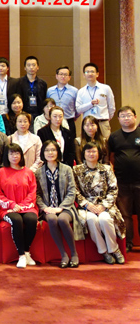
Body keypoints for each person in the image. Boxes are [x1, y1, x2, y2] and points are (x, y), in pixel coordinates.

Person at [73, 142, 125, 264]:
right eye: (88, 151)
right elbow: (74, 190)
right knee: (91, 220)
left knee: (104, 219)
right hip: (86, 206)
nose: (91, 154)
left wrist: (103, 205)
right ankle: (104, 252)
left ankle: (115, 250)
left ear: (99, 153)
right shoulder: (76, 170)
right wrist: (87, 204)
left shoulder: (106, 169)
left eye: (94, 151)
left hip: (105, 204)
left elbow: (113, 189)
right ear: (84, 154)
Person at [35, 140, 83, 269]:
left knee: (62, 219)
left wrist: (61, 207)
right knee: (52, 219)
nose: (50, 153)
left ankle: (74, 254)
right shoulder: (38, 172)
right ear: (43, 153)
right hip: (48, 208)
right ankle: (63, 255)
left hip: (65, 207)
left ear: (58, 152)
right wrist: (45, 208)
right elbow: (37, 194)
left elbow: (72, 191)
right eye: (47, 150)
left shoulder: (67, 169)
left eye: (53, 150)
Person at [0, 143, 39, 268]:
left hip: (26, 207)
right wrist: (12, 205)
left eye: (17, 153)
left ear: (21, 155)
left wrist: (21, 206)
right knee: (17, 220)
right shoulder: (0, 173)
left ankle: (27, 252)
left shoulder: (29, 172)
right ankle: (21, 255)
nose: (14, 156)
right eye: (11, 153)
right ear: (7, 156)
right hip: (7, 208)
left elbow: (32, 193)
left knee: (32, 219)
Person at [108, 106, 140, 252]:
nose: (126, 118)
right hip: (122, 181)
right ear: (119, 119)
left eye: (129, 115)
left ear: (135, 117)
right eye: (123, 116)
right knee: (125, 214)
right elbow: (111, 156)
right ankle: (128, 243)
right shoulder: (114, 136)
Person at [76, 62, 116, 138]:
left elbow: (111, 107)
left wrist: (106, 118)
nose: (90, 74)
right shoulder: (81, 91)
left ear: (97, 74)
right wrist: (90, 104)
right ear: (84, 75)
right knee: (89, 144)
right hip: (88, 124)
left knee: (105, 143)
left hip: (102, 122)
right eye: (87, 72)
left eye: (92, 72)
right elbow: (78, 109)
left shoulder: (106, 88)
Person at [47, 65, 78, 131]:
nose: (63, 76)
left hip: (69, 120)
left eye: (65, 75)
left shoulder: (74, 91)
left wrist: (74, 117)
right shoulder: (50, 90)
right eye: (61, 74)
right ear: (56, 76)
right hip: (54, 121)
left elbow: (77, 108)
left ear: (69, 77)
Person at [16, 56, 47, 120]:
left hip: (39, 114)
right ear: (25, 68)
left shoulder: (43, 83)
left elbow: (44, 99)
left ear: (38, 67)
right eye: (29, 65)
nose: (31, 67)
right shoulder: (18, 82)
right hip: (23, 114)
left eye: (33, 65)